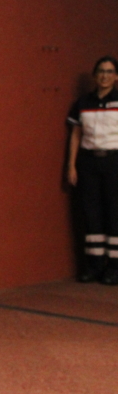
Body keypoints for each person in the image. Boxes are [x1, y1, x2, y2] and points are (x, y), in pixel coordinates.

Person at [66, 56, 118, 284]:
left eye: (109, 71)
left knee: (114, 212)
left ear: (116, 76)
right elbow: (76, 135)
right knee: (91, 213)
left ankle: (114, 267)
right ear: (95, 76)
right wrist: (71, 165)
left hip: (114, 161)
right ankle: (95, 266)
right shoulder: (83, 102)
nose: (104, 76)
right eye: (100, 71)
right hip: (88, 163)